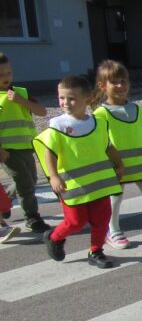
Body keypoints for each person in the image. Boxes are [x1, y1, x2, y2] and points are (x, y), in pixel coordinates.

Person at [33, 75, 124, 268]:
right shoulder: (58, 124)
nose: (65, 102)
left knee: (102, 219)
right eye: (62, 98)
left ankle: (96, 251)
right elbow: (49, 151)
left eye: (71, 98)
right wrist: (54, 176)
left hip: (99, 183)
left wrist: (119, 164)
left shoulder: (98, 122)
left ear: (88, 98)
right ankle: (54, 237)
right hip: (71, 185)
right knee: (75, 222)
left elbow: (108, 146)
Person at [93, 60, 142, 248]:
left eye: (124, 81)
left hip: (141, 165)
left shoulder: (137, 109)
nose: (121, 86)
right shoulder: (101, 114)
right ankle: (113, 231)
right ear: (102, 86)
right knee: (115, 198)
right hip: (116, 165)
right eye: (115, 82)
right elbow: (102, 142)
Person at [0, 52, 51, 234]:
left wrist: (22, 101)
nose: (6, 77)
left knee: (29, 181)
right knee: (25, 183)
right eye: (1, 74)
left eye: (8, 73)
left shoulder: (21, 92)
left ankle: (3, 202)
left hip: (26, 147)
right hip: (7, 151)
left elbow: (42, 112)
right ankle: (32, 217)